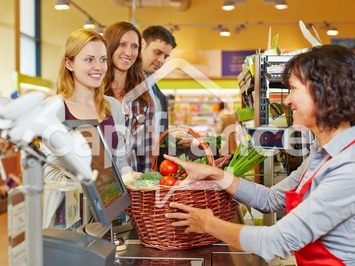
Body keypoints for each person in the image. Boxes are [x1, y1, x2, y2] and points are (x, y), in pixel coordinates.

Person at [165, 45, 355, 265]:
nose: (287, 101)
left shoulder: (348, 165)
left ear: (325, 91)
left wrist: (209, 224)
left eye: (293, 88)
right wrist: (214, 174)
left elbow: (278, 241)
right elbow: (270, 199)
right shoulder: (321, 155)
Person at [43, 28, 137, 228]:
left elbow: (120, 160)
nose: (98, 67)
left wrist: (130, 178)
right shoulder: (55, 109)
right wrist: (94, 183)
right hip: (69, 218)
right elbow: (49, 174)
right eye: (89, 60)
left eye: (103, 59)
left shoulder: (113, 108)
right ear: (69, 63)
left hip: (110, 214)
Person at [104, 21, 155, 173]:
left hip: (131, 184)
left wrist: (145, 188)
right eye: (122, 44)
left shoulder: (142, 98)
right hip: (100, 182)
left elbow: (146, 152)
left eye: (134, 47)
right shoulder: (95, 93)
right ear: (109, 46)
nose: (129, 53)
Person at [141, 25, 177, 133]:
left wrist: (177, 144)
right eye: (157, 52)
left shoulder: (154, 89)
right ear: (142, 44)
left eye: (165, 57)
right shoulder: (123, 84)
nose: (161, 60)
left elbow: (158, 134)